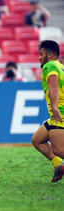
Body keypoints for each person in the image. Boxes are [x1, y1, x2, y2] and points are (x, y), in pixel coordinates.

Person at [31, 40, 64, 182]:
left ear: (50, 55)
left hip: (60, 113)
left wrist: (55, 106)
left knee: (59, 150)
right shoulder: (60, 66)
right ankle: (58, 165)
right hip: (56, 114)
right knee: (37, 140)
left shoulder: (49, 66)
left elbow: (53, 82)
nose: (39, 57)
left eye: (41, 54)